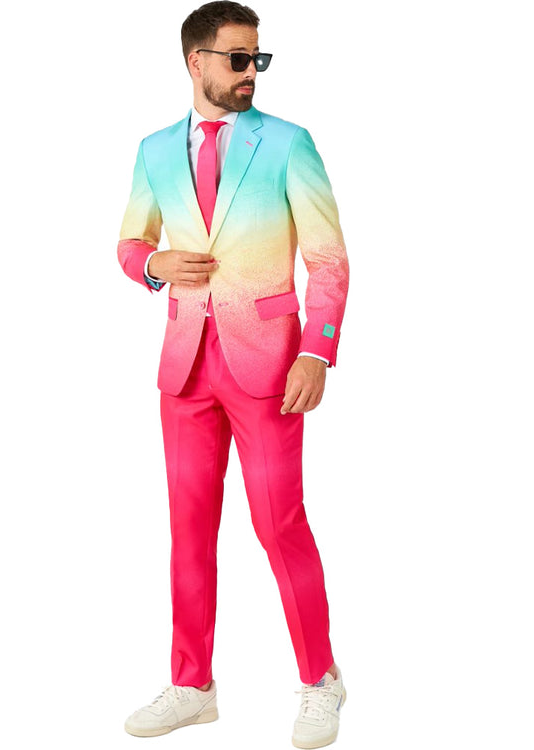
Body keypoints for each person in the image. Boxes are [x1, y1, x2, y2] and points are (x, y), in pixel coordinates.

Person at [117, 2, 350, 747]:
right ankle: (192, 685)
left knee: (279, 524)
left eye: (258, 59)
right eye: (238, 58)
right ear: (197, 62)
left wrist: (316, 350)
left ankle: (320, 679)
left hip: (272, 365)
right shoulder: (155, 149)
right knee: (188, 530)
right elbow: (130, 242)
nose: (252, 72)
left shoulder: (287, 143)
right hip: (185, 366)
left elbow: (328, 260)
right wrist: (153, 264)